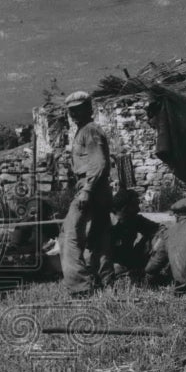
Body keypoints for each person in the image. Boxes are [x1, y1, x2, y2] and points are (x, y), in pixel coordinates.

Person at [60, 91, 114, 296]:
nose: (74, 113)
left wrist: (86, 190)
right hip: (97, 191)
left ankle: (79, 287)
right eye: (71, 110)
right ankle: (106, 282)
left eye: (79, 108)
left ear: (88, 108)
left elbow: (99, 163)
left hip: (90, 190)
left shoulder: (89, 131)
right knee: (99, 237)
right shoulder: (84, 130)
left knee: (69, 237)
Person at [109, 188, 162, 283]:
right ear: (124, 207)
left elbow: (159, 229)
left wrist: (157, 242)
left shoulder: (134, 220)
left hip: (129, 260)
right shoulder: (106, 223)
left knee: (157, 236)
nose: (138, 209)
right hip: (110, 264)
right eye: (135, 205)